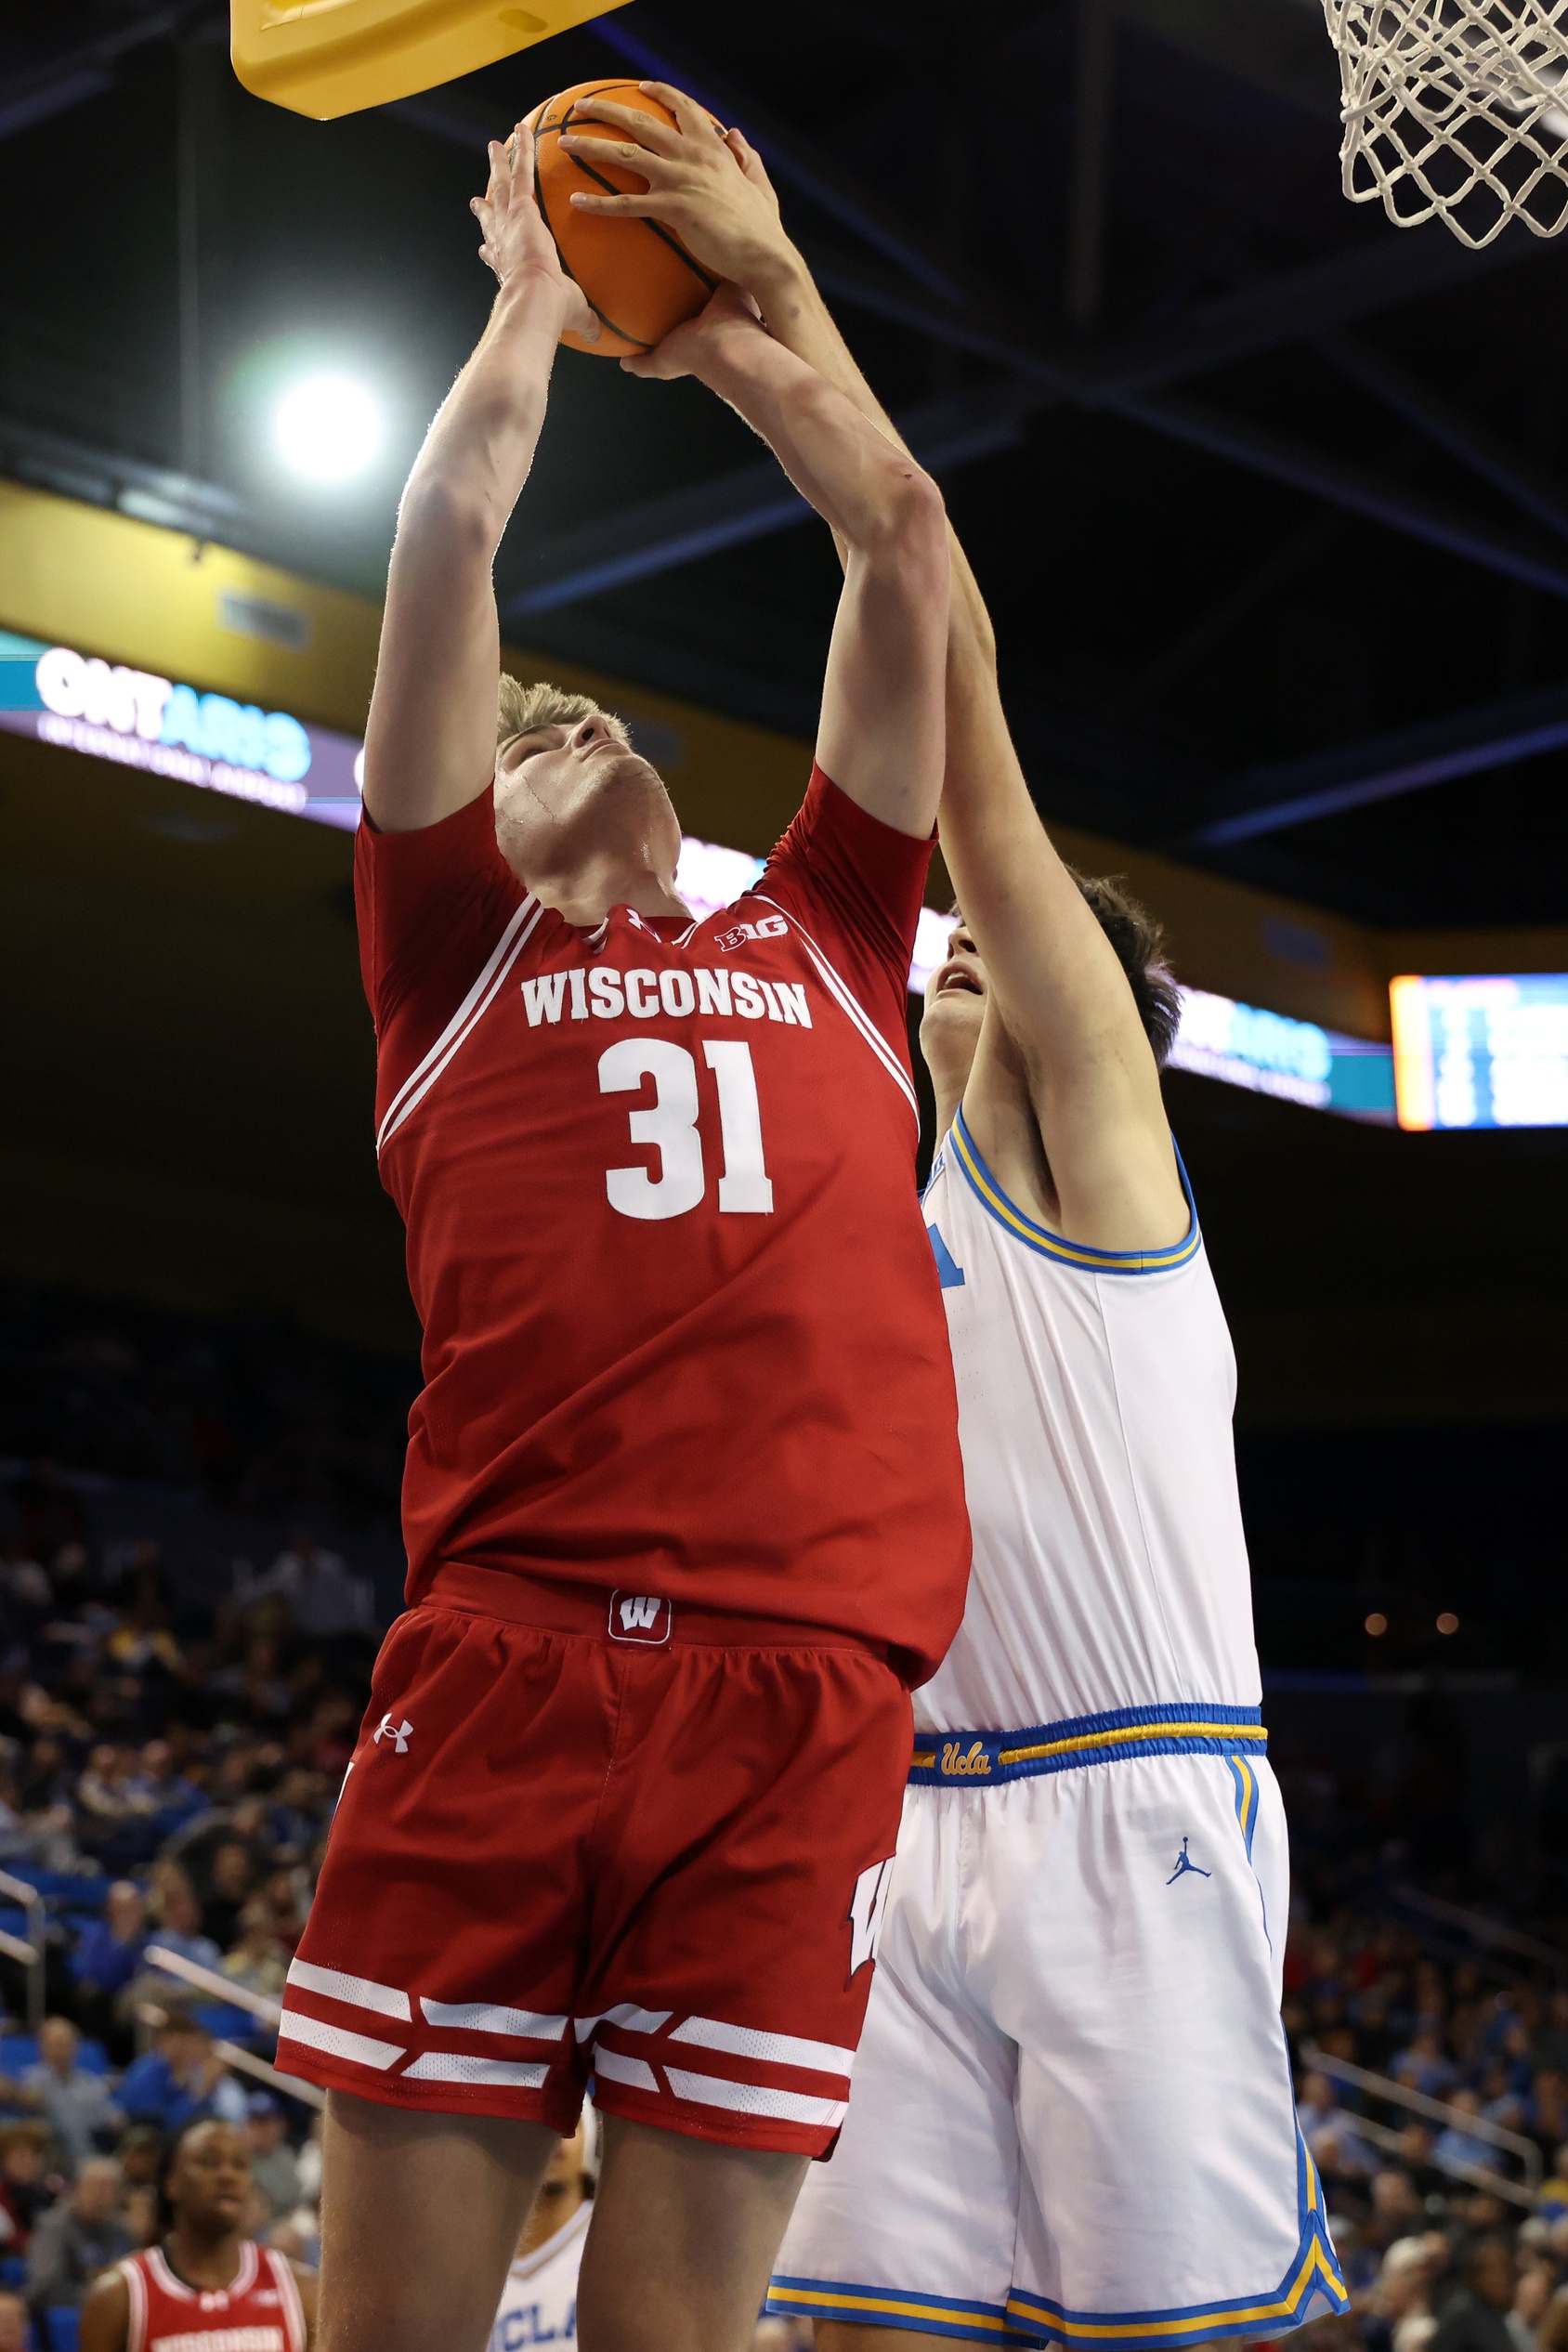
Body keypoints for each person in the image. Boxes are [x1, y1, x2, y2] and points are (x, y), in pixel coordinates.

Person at [540, 85, 1351, 2350]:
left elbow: (956, 706)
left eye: (1039, 937)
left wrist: (775, 309)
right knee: (866, 2329)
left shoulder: (1105, 1155)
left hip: (1129, 1796)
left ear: (1124, 1008)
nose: (981, 942)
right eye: (980, 935)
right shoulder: (868, 1192)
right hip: (900, 1802)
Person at [272, 92, 964, 2352]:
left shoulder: (842, 930)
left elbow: (905, 541)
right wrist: (535, 302)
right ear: (481, 790)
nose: (567, 710)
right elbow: (457, 524)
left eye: (594, 703)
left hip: (799, 1693)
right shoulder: (452, 946)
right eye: (526, 719)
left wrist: (758, 315)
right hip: (511, 1656)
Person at [77, 2117, 315, 2351]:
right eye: (209, 2163)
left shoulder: (300, 2291)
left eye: (240, 2165)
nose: (227, 2175)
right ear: (172, 2183)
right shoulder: (119, 2298)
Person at [488, 2112, 594, 2351]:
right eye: (539, 2122)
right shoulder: (476, 2263)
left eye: (572, 2121)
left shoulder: (614, 2247)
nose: (557, 2136)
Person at [25, 2157, 132, 2318]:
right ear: (76, 2189)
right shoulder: (54, 2227)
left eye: (108, 2188)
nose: (100, 2195)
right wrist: (102, 2298)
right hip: (63, 2317)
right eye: (94, 2187)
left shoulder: (121, 2230)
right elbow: (45, 2287)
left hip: (110, 2312)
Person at [18, 2017, 122, 2175]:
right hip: (54, 2161)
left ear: (76, 2046)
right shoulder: (33, 2078)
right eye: (54, 2044)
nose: (59, 2049)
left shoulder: (91, 2083)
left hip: (93, 2160)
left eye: (64, 2043)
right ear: (42, 2047)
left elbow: (113, 2118)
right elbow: (28, 2101)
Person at [119, 2011, 245, 2137]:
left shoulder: (193, 2073)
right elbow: (165, 2127)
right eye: (192, 2041)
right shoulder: (145, 2074)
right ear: (173, 2039)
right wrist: (199, 2092)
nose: (198, 2049)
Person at [244, 2096, 301, 2221]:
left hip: (283, 2221)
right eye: (254, 2122)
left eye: (265, 2122)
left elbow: (294, 2199)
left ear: (280, 2125)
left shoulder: (286, 2156)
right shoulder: (240, 2157)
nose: (260, 2129)